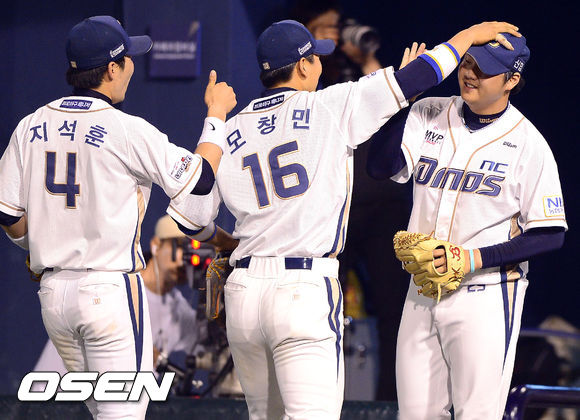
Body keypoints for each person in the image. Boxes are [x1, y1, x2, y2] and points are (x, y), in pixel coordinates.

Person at [167, 18, 520, 419]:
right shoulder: (329, 106)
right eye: (316, 57)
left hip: (244, 293)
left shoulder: (231, 130)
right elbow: (422, 74)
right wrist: (470, 35)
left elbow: (191, 219)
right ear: (303, 65)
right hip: (302, 288)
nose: (320, 63)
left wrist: (223, 240)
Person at [0, 15, 236, 419]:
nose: (130, 67)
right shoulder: (125, 129)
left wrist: (36, 246)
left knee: (102, 412)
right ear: (111, 68)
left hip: (54, 297)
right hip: (107, 292)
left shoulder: (31, 125)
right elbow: (199, 179)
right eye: (127, 59)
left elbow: (8, 215)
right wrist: (216, 116)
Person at [367, 34, 567, 419]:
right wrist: (402, 99)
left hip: (485, 293)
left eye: (484, 69)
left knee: (477, 414)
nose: (470, 74)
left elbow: (550, 234)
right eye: (467, 63)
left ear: (511, 80)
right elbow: (380, 167)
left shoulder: (529, 143)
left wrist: (471, 258)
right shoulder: (429, 110)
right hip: (422, 288)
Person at [291, 0, 413, 400]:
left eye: (336, 26)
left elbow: (392, 104)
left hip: (383, 205)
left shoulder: (358, 71)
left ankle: (390, 399)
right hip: (333, 210)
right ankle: (322, 397)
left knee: (394, 306)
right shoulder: (307, 80)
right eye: (323, 27)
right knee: (322, 307)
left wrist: (366, 59)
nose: (334, 33)